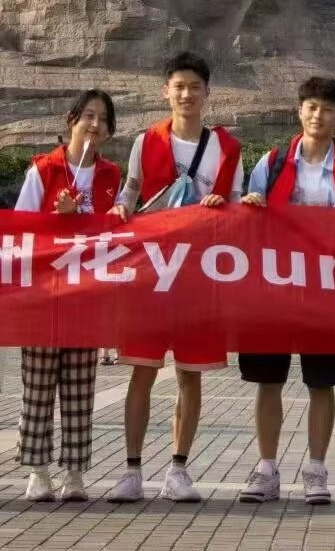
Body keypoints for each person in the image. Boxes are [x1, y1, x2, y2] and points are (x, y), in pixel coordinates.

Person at [103, 53, 243, 504]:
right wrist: (122, 206)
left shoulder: (226, 148)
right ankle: (132, 470)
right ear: (166, 91)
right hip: (151, 273)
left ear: (207, 93)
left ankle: (178, 470)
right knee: (142, 370)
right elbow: (131, 189)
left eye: (195, 86)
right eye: (179, 86)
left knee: (190, 374)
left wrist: (226, 208)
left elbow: (237, 203)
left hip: (199, 275)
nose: (186, 94)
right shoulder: (146, 141)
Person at [237, 75, 335, 506]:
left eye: (327, 109)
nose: (318, 115)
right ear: (299, 111)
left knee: (321, 382)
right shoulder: (272, 163)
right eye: (311, 107)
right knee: (268, 380)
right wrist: (251, 206)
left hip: (325, 294)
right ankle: (267, 469)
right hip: (272, 291)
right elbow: (247, 217)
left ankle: (316, 469)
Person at [13, 89, 123, 503]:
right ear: (71, 120)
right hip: (45, 295)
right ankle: (38, 471)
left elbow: (119, 229)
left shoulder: (112, 175)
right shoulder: (44, 170)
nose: (95, 125)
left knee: (79, 386)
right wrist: (55, 219)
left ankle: (75, 473)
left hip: (87, 296)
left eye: (103, 119)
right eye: (88, 116)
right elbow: (19, 228)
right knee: (38, 384)